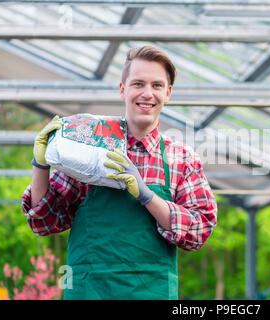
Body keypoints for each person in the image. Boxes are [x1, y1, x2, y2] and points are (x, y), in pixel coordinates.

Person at [22, 45, 218, 300]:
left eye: (157, 86)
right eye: (138, 84)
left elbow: (199, 230)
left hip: (151, 293)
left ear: (168, 93)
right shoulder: (89, 147)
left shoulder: (181, 158)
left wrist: (147, 196)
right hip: (89, 291)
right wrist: (41, 166)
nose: (147, 94)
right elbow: (44, 222)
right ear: (123, 89)